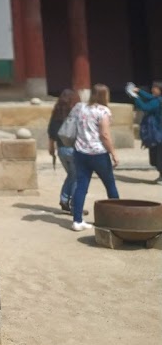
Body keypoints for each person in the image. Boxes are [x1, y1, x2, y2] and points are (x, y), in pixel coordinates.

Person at [68, 83, 119, 232]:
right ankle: (117, 217)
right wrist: (113, 153)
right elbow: (104, 135)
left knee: (81, 186)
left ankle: (77, 221)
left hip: (80, 151)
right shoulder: (103, 111)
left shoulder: (80, 107)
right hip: (98, 153)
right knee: (110, 185)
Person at [47, 88, 81, 212]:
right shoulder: (76, 112)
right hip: (74, 149)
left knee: (72, 175)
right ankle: (74, 206)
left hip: (61, 150)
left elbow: (51, 132)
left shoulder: (56, 113)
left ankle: (64, 199)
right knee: (77, 177)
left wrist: (51, 148)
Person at [126, 80, 162, 183]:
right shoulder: (157, 99)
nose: (152, 89)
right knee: (156, 156)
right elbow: (149, 97)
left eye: (155, 88)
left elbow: (145, 107)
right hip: (157, 133)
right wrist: (139, 91)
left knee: (158, 157)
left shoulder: (158, 101)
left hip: (158, 133)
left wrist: (135, 97)